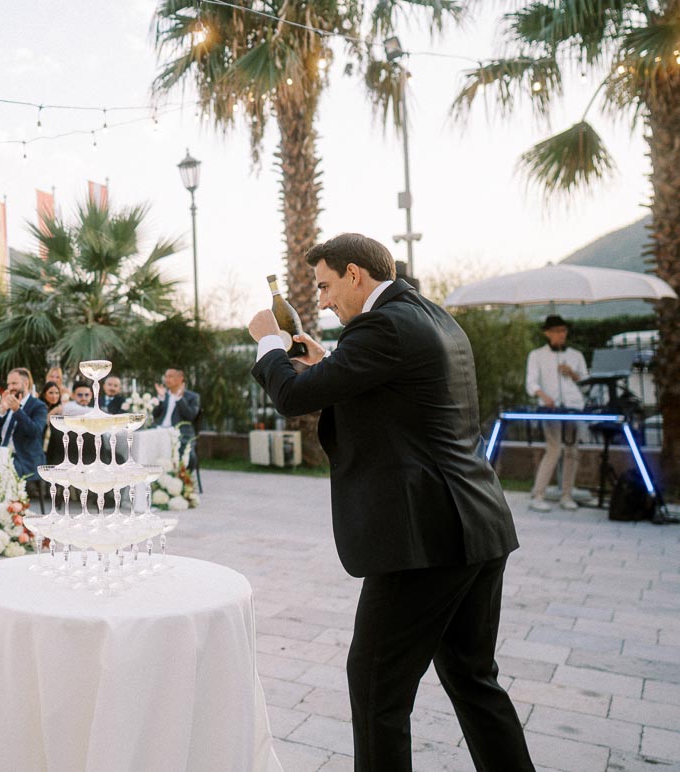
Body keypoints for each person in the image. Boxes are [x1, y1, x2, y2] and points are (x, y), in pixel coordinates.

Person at [248, 232, 529, 772]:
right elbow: (397, 398)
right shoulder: (431, 316)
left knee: (376, 688)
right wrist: (326, 360)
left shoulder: (382, 326)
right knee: (474, 681)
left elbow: (292, 398)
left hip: (424, 539)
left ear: (356, 274)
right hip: (478, 525)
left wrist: (267, 342)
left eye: (327, 286)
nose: (324, 302)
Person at [526, 314, 588, 512]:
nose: (561, 335)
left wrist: (572, 374)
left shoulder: (576, 355)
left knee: (572, 450)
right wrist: (543, 396)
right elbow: (531, 382)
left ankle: (567, 494)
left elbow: (586, 384)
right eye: (557, 331)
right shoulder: (537, 355)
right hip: (551, 408)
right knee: (553, 449)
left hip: (573, 407)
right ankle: (538, 494)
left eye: (564, 330)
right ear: (547, 333)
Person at [0, 368, 47, 481]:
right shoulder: (9, 402)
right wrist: (2, 409)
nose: (10, 387)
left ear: (25, 383)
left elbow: (35, 432)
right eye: (9, 384)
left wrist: (17, 411)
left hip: (25, 458)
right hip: (1, 454)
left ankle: (5, 498)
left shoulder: (38, 406)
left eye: (14, 383)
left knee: (1, 470)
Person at [153, 368, 201, 465]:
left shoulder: (192, 396)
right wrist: (161, 399)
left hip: (180, 433)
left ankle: (181, 477)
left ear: (180, 378)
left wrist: (179, 398)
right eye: (165, 376)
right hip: (160, 431)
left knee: (188, 455)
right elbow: (155, 415)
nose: (167, 379)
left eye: (170, 376)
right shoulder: (164, 394)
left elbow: (191, 416)